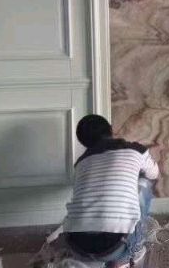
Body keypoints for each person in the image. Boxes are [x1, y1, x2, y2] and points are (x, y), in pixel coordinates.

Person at [63, 114, 159, 268]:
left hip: (76, 246)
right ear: (111, 130)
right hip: (114, 247)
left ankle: (93, 261)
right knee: (145, 181)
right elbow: (154, 174)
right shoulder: (135, 150)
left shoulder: (80, 163)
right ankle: (128, 255)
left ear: (84, 143)